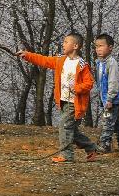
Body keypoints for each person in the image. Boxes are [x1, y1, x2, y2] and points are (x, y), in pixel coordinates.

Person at [12, 32, 99, 163]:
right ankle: (91, 148)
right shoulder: (61, 60)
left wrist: (77, 88)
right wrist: (28, 55)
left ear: (75, 46)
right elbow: (44, 60)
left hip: (74, 103)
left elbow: (89, 83)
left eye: (66, 42)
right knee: (71, 131)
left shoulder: (82, 65)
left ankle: (67, 155)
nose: (63, 44)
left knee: (64, 127)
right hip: (63, 101)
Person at [93, 33, 119, 152]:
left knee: (108, 121)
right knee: (116, 122)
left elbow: (113, 82)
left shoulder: (111, 63)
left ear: (110, 47)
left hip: (113, 98)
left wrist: (109, 99)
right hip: (106, 98)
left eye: (101, 46)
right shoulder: (99, 62)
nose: (98, 49)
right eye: (96, 46)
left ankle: (105, 144)